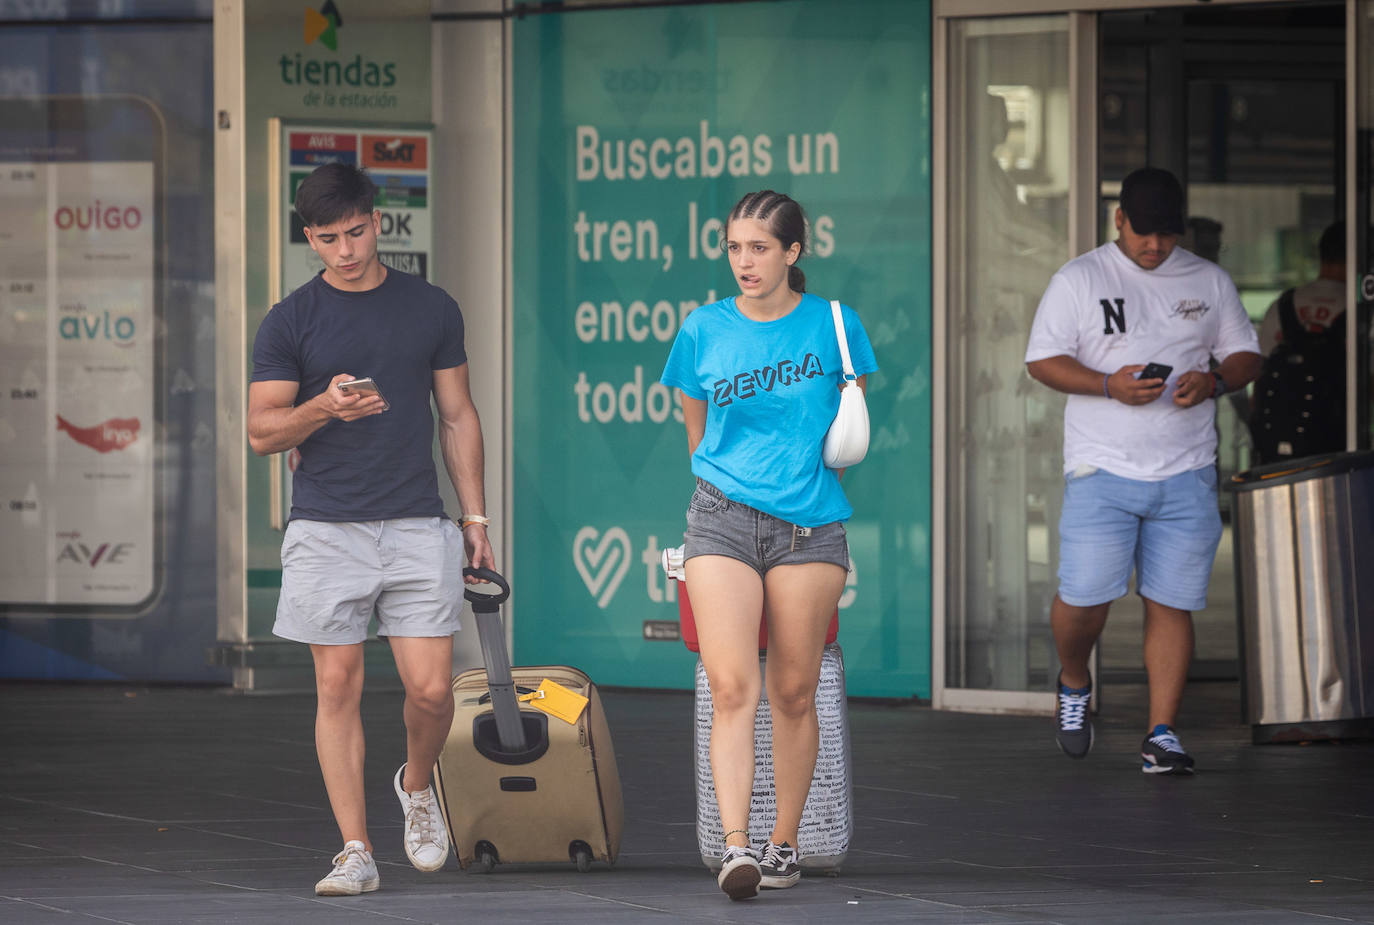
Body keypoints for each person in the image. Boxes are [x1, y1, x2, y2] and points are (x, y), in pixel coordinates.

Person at [247, 163, 494, 895]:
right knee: (337, 684)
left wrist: (475, 517)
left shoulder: (431, 307)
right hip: (326, 526)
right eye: (328, 238)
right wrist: (324, 407)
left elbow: (458, 414)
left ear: (377, 221)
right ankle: (354, 848)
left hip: (418, 520)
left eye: (355, 232)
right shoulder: (290, 319)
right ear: (309, 237)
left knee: (431, 691)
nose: (345, 249)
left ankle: (415, 784)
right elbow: (262, 431)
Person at [659, 191, 877, 900]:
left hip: (811, 525)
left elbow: (845, 429)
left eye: (759, 247)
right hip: (720, 516)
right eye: (733, 247)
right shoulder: (703, 328)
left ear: (793, 251)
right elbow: (696, 431)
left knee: (793, 689)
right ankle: (735, 846)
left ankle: (784, 844)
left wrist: (791, 480)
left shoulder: (836, 326)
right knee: (730, 684)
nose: (744, 260)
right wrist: (728, 484)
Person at [1024, 167, 1262, 775]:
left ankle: (1162, 733)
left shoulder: (1208, 280)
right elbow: (1042, 361)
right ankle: (1075, 679)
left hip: (1187, 469)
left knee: (1171, 602)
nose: (1154, 245)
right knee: (1083, 600)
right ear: (1118, 221)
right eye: (1143, 233)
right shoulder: (1080, 278)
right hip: (1101, 468)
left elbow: (1245, 353)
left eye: (1166, 234)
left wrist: (1214, 381)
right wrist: (1108, 384)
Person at [1249, 221, 1347, 463]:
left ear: (1321, 254)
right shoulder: (1361, 308)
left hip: (1278, 448)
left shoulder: (1283, 304)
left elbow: (1257, 371)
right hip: (1337, 443)